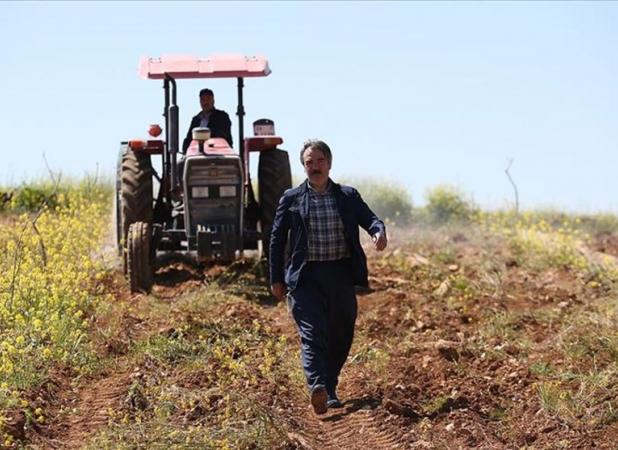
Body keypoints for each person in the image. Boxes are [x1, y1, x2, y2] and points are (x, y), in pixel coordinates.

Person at [269, 139, 387, 415]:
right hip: (305, 277)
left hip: (340, 273)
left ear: (329, 163)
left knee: (341, 332)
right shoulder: (292, 198)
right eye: (309, 162)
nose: (315, 167)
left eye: (319, 161)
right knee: (312, 333)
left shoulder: (347, 196)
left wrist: (377, 231)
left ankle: (329, 387)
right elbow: (276, 240)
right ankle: (317, 385)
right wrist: (276, 277)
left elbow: (370, 219)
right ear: (304, 167)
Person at [182, 88, 233, 152]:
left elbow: (222, 134)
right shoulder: (196, 119)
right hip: (197, 153)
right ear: (200, 102)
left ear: (213, 101)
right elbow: (189, 138)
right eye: (203, 99)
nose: (205, 102)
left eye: (208, 99)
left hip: (219, 152)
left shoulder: (222, 116)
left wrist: (204, 135)